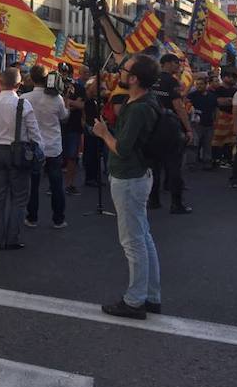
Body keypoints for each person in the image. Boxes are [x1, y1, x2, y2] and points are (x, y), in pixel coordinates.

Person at [92, 54, 162, 320]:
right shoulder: (143, 101)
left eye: (125, 69)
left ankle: (135, 301)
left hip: (129, 177)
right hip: (137, 175)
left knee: (133, 241)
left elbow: (121, 148)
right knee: (143, 237)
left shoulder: (140, 107)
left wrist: (104, 133)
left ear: (134, 79)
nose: (120, 71)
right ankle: (151, 295)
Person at [0, 67, 42, 250]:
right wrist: (39, 153)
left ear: (0, 82)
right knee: (19, 198)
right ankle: (13, 238)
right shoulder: (23, 105)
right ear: (18, 84)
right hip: (19, 152)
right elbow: (34, 134)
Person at [21, 65, 70, 229]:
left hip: (34, 146)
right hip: (53, 146)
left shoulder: (24, 98)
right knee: (56, 184)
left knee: (33, 184)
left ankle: (32, 217)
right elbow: (64, 117)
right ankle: (59, 219)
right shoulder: (57, 98)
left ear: (32, 79)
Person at [148, 54, 193, 214]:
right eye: (176, 62)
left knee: (153, 167)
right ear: (166, 63)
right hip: (169, 127)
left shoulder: (150, 79)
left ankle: (153, 200)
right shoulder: (171, 81)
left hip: (151, 127)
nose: (179, 65)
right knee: (174, 167)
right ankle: (176, 204)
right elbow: (179, 107)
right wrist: (188, 128)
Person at [60, 63, 85, 196]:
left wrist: (67, 102)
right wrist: (70, 103)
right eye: (61, 72)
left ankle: (69, 184)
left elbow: (81, 104)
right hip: (58, 127)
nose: (64, 75)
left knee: (72, 157)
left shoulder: (79, 87)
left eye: (66, 72)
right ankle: (56, 185)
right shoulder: (55, 87)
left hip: (73, 126)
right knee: (57, 156)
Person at [188, 76, 219, 170]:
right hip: (196, 124)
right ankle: (192, 164)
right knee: (194, 145)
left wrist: (216, 121)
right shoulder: (192, 95)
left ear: (206, 84)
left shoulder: (212, 95)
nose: (199, 86)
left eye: (201, 84)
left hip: (209, 124)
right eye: (197, 84)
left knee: (207, 145)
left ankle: (207, 163)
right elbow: (186, 106)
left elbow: (216, 109)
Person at [212, 71, 237, 167]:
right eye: (230, 77)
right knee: (217, 139)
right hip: (221, 116)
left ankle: (227, 158)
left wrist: (229, 101)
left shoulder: (236, 90)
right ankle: (215, 158)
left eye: (234, 77)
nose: (232, 79)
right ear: (223, 78)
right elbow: (218, 102)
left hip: (233, 117)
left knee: (230, 140)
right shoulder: (218, 89)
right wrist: (230, 101)